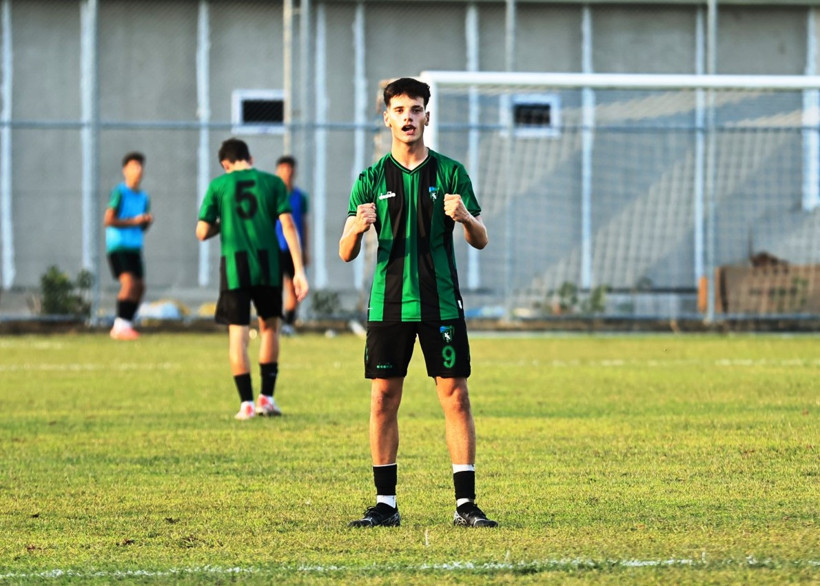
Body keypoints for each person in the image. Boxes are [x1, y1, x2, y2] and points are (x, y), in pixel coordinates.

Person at [339, 77, 496, 528]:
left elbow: (481, 239)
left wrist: (465, 217)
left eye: (416, 109)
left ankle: (465, 505)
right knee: (383, 399)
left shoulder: (450, 172)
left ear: (427, 116)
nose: (408, 117)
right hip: (388, 307)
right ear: (386, 118)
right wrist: (355, 228)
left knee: (455, 397)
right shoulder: (370, 180)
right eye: (400, 110)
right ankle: (385, 504)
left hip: (441, 304)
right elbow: (345, 252)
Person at [196, 138, 308, 420]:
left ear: (225, 164)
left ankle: (246, 403)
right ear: (251, 158)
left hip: (235, 266)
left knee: (238, 333)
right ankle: (266, 399)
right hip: (268, 265)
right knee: (270, 326)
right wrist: (298, 270)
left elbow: (201, 231)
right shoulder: (272, 183)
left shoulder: (218, 186)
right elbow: (288, 224)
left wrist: (225, 222)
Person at [104, 152, 152, 341]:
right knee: (129, 283)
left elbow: (142, 226)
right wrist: (135, 221)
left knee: (140, 286)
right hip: (118, 246)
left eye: (140, 166)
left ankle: (127, 324)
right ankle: (119, 327)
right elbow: (109, 220)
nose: (137, 170)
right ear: (125, 170)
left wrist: (146, 221)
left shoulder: (144, 196)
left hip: (134, 247)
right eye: (133, 166)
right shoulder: (119, 192)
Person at [274, 155, 309, 336]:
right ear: (278, 171)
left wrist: (306, 250)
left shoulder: (300, 197)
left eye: (290, 169)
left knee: (294, 287)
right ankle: (273, 322)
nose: (287, 173)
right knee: (273, 287)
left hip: (293, 249)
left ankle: (289, 322)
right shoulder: (272, 195)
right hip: (275, 248)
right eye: (284, 169)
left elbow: (303, 223)